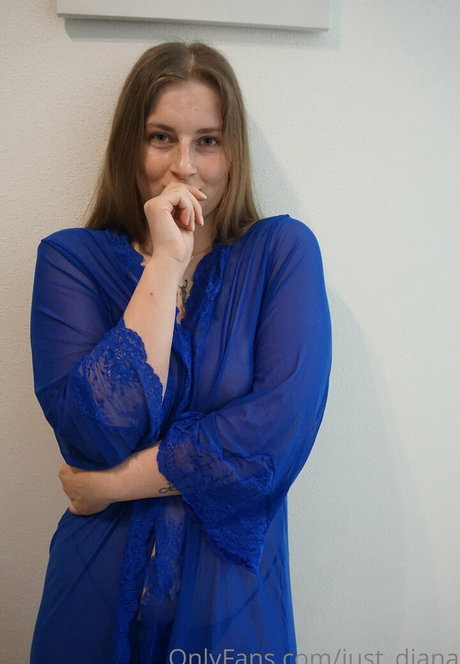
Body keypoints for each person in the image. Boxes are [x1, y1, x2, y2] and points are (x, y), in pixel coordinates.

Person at [29, 41, 332, 664]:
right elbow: (95, 432)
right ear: (131, 146)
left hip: (232, 607)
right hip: (92, 595)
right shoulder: (68, 260)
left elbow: (269, 445)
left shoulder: (282, 253)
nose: (184, 166)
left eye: (208, 141)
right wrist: (166, 261)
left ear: (233, 151)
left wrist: (112, 486)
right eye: (161, 137)